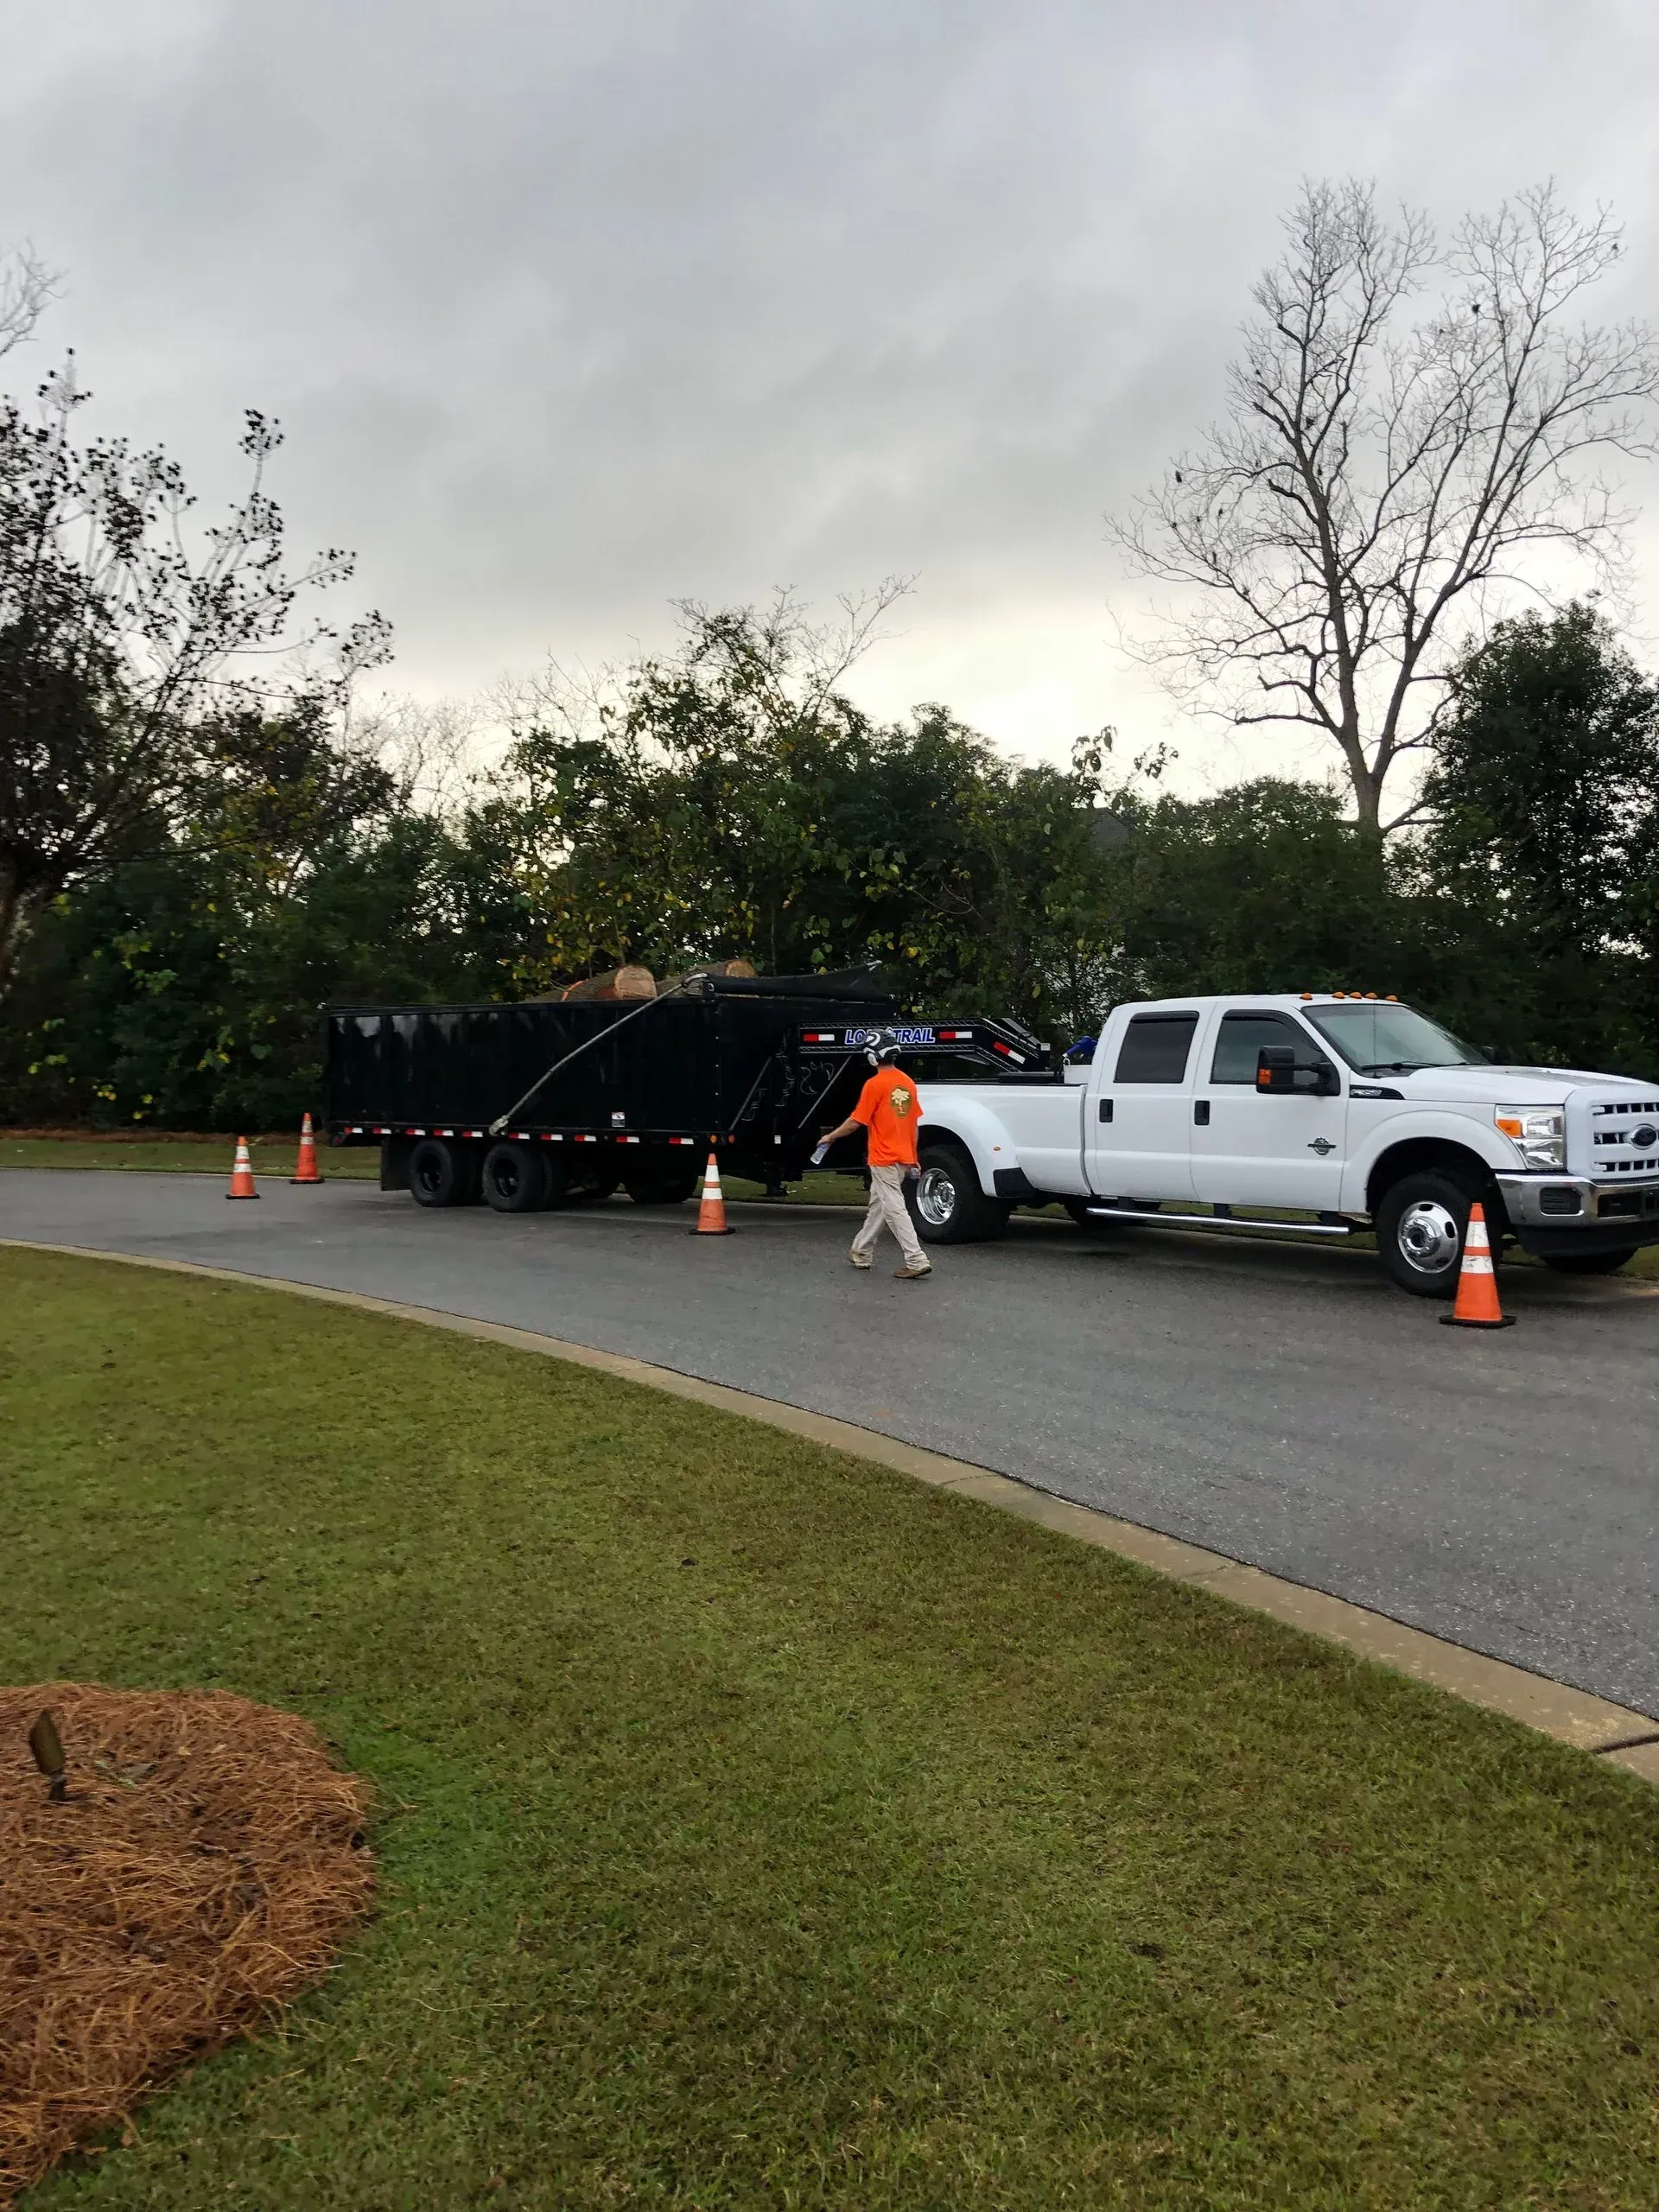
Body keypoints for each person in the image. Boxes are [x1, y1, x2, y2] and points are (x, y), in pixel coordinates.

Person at [819, 1029, 932, 1280]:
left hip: (883, 1157)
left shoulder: (874, 1084)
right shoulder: (907, 1082)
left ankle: (915, 1259)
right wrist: (913, 1158)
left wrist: (830, 1136)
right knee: (880, 1205)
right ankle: (861, 1251)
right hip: (903, 1157)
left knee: (894, 1208)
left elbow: (855, 1122)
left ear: (872, 1057)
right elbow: (913, 1124)